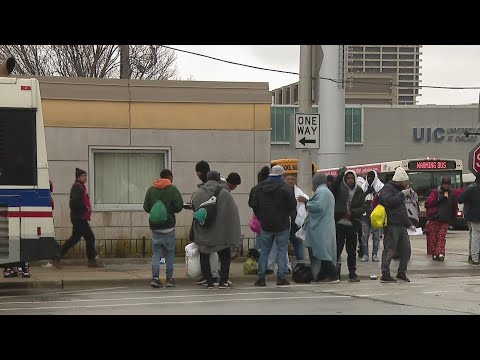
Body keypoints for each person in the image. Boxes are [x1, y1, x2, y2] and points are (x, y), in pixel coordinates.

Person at [191, 171, 242, 289]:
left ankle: (209, 281)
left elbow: (194, 209)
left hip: (203, 230)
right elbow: (233, 214)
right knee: (225, 256)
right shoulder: (224, 193)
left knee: (204, 256)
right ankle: (223, 281)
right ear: (218, 179)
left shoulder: (197, 193)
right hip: (220, 233)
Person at [249, 165, 297, 287]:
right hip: (282, 224)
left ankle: (261, 278)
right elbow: (292, 205)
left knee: (264, 251)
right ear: (281, 175)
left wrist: (261, 216)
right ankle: (281, 277)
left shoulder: (259, 188)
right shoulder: (284, 188)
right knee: (281, 251)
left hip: (266, 224)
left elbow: (253, 203)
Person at [53, 168, 102, 268]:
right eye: (84, 176)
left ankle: (57, 257)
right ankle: (91, 261)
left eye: (86, 175)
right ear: (79, 177)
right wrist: (85, 208)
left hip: (78, 217)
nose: (86, 178)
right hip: (79, 218)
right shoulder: (78, 187)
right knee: (90, 237)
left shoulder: (80, 187)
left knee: (74, 239)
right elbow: (74, 202)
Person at [143, 169, 183, 288]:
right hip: (169, 226)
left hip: (155, 227)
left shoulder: (151, 189)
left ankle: (155, 278)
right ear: (170, 177)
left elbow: (146, 207)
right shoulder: (172, 189)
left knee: (156, 253)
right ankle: (169, 279)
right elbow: (178, 206)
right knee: (169, 253)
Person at [379, 167, 416, 283]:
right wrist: (402, 194)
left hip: (401, 225)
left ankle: (402, 272)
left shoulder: (400, 191)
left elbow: (402, 211)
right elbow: (389, 202)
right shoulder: (387, 189)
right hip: (391, 224)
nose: (406, 184)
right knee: (390, 250)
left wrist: (409, 224)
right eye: (405, 181)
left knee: (406, 250)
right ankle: (385, 273)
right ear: (399, 181)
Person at [299, 172, 338, 283]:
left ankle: (332, 275)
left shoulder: (322, 192)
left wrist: (307, 202)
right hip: (324, 226)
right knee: (322, 251)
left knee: (323, 251)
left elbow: (319, 206)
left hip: (321, 227)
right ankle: (322, 275)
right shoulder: (326, 191)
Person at [266, 173, 308, 274]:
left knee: (298, 245)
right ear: (284, 180)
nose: (290, 181)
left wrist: (305, 201)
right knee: (281, 247)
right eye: (288, 179)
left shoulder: (299, 192)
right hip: (283, 223)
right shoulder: (281, 191)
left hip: (295, 224)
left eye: (292, 179)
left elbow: (309, 202)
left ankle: (301, 266)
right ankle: (285, 267)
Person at [332, 167, 366, 282]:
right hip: (340, 222)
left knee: (351, 250)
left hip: (353, 223)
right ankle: (334, 272)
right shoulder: (340, 188)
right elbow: (334, 188)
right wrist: (340, 175)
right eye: (348, 178)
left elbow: (363, 207)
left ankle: (352, 272)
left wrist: (353, 213)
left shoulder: (359, 191)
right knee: (337, 248)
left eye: (352, 178)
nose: (350, 180)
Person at [425, 177, 457, 262]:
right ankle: (435, 253)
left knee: (441, 237)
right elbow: (428, 203)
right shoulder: (435, 192)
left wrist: (453, 219)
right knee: (433, 237)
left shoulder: (452, 194)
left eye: (448, 184)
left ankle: (440, 253)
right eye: (445, 184)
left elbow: (454, 207)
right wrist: (440, 199)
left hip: (445, 219)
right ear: (442, 184)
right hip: (435, 218)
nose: (446, 186)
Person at [360, 171, 384, 262]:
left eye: (372, 177)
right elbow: (359, 198)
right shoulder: (363, 187)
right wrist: (366, 193)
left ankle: (375, 254)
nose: (370, 179)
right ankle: (365, 254)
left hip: (376, 215)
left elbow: (383, 198)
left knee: (376, 236)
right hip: (365, 215)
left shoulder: (380, 187)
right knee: (364, 236)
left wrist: (375, 194)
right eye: (368, 177)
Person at [458, 175, 480, 265]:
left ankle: (474, 257)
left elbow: (460, 199)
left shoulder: (471, 189)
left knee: (475, 236)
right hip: (474, 216)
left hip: (473, 216)